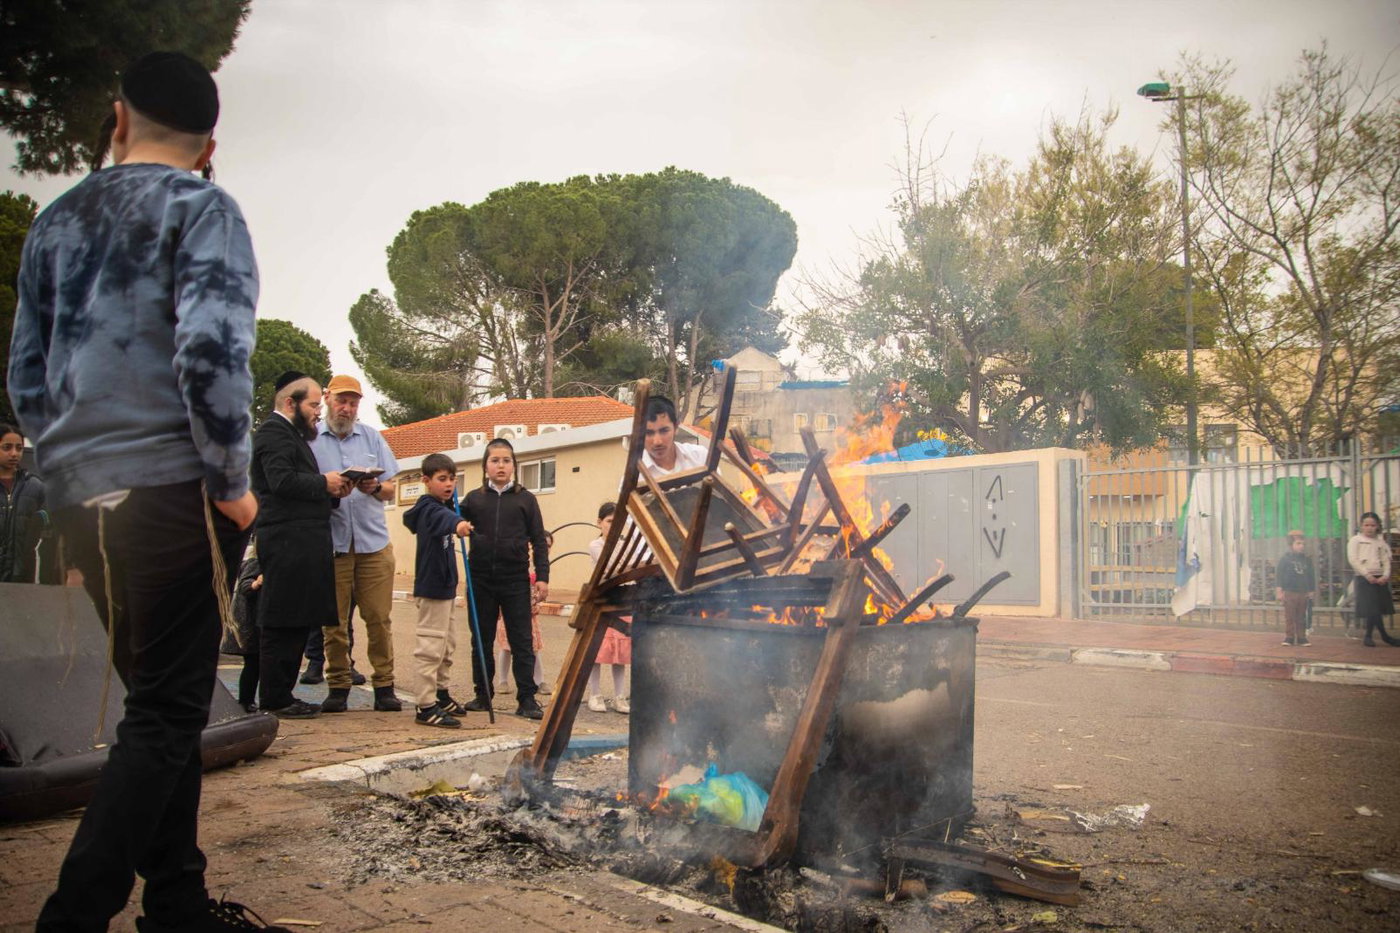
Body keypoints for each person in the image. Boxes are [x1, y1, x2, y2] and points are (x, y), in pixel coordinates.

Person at [8, 51, 291, 932]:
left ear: (119, 120)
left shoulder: (54, 224)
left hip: (78, 500)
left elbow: (25, 377)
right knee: (169, 713)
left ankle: (176, 900)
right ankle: (73, 913)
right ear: (210, 144)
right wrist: (233, 485)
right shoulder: (203, 209)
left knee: (151, 712)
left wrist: (66, 471)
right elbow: (210, 358)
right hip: (171, 493)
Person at [251, 372, 350, 718]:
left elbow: (299, 487)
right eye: (312, 405)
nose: (317, 413)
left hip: (303, 542)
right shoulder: (273, 433)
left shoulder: (291, 435)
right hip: (286, 542)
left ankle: (282, 694)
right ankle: (276, 698)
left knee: (297, 620)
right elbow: (281, 482)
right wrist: (324, 482)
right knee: (283, 620)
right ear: (289, 403)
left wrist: (333, 493)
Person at [310, 374, 401, 713]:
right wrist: (327, 487)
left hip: (373, 543)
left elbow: (394, 487)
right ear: (327, 399)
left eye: (353, 402)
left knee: (378, 619)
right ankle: (338, 685)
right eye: (341, 401)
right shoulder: (311, 441)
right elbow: (304, 486)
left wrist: (374, 488)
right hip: (332, 544)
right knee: (333, 623)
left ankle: (384, 686)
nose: (347, 408)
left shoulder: (373, 438)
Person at [458, 438, 550, 719]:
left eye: (506, 460)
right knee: (481, 640)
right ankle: (482, 695)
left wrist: (542, 577)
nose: (501, 465)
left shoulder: (526, 499)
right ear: (485, 466)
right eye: (495, 460)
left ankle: (527, 699)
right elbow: (452, 521)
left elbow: (538, 539)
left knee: (522, 641)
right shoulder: (473, 499)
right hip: (480, 579)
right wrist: (456, 523)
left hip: (515, 580)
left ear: (514, 466)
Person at [403, 453, 474, 727]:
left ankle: (441, 694)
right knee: (430, 649)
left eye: (452, 479)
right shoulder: (429, 508)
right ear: (426, 480)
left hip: (445, 588)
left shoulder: (446, 505)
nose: (449, 484)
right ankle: (425, 705)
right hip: (431, 588)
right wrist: (459, 525)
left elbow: (450, 514)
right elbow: (444, 519)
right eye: (442, 479)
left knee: (447, 646)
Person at [587, 502, 631, 713]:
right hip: (602, 599)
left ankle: (619, 696)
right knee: (597, 650)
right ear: (599, 522)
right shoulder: (596, 545)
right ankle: (595, 694)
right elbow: (615, 567)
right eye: (609, 521)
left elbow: (629, 565)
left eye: (617, 522)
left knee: (620, 652)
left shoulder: (625, 544)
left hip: (623, 600)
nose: (613, 526)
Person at [0, 423, 50, 583]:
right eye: (7, 447)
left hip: (22, 576)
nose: (14, 453)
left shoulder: (35, 486)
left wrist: (41, 520)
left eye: (19, 448)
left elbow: (57, 517)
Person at [221, 543, 263, 712]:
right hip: (249, 624)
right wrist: (256, 583)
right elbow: (245, 586)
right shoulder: (255, 561)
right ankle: (245, 701)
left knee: (256, 664)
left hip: (253, 622)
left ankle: (247, 701)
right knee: (253, 663)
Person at [1348, 511, 1398, 648]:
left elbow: (1385, 560)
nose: (1369, 528)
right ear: (1361, 526)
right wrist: (1367, 575)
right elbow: (1353, 559)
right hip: (1364, 579)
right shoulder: (1355, 540)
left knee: (1376, 609)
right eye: (1366, 525)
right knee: (1372, 609)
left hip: (1379, 578)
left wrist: (1385, 575)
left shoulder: (1380, 542)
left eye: (1373, 525)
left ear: (1377, 526)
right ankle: (1384, 636)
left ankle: (1369, 636)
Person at [641, 395, 708, 474]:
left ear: (676, 428)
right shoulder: (634, 477)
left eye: (664, 431)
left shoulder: (700, 457)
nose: (657, 441)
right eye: (649, 433)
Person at [1275, 530, 1315, 648]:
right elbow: (1279, 575)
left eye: (1303, 543)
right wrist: (1279, 590)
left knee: (1301, 615)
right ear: (1291, 545)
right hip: (1289, 591)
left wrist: (1311, 590)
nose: (1301, 546)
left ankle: (1302, 637)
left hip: (1302, 591)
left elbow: (1311, 575)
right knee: (1290, 615)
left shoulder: (1307, 560)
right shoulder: (1285, 559)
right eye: (1298, 543)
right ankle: (1289, 636)